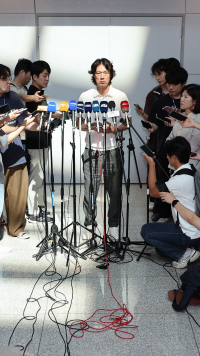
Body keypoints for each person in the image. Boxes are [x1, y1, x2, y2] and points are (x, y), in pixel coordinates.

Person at [0, 63, 38, 239]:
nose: (9, 81)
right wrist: (15, 126)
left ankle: (16, 228)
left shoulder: (13, 96)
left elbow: (24, 121)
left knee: (17, 194)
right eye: (5, 78)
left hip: (14, 150)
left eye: (8, 77)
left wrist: (41, 126)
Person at [77, 58, 129, 239]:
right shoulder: (86, 96)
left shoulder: (120, 96)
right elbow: (78, 122)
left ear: (111, 74)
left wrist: (115, 129)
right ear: (93, 75)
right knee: (89, 189)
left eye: (105, 73)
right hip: (91, 149)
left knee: (114, 191)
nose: (101, 76)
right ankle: (90, 224)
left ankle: (113, 227)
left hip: (113, 149)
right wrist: (92, 127)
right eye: (98, 73)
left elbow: (127, 122)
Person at [140, 137, 200, 269]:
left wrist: (152, 165)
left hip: (187, 232)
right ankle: (197, 247)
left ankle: (187, 252)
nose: (166, 157)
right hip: (197, 229)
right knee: (160, 250)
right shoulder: (191, 170)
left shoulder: (179, 180)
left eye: (167, 155)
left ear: (174, 157)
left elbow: (153, 192)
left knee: (146, 231)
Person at [147, 66, 187, 222]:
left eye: (175, 84)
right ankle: (162, 211)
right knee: (162, 180)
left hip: (183, 150)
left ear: (183, 84)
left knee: (180, 182)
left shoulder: (187, 101)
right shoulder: (160, 102)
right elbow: (155, 123)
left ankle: (179, 213)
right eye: (169, 83)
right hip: (164, 148)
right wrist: (152, 127)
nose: (171, 87)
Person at [25, 60, 57, 223]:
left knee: (40, 176)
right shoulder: (32, 96)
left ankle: (37, 209)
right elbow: (32, 119)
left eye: (48, 76)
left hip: (42, 141)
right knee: (35, 177)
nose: (47, 79)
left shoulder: (39, 95)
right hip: (34, 142)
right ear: (35, 76)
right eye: (44, 75)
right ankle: (32, 212)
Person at [135, 58, 180, 153]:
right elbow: (151, 121)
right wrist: (143, 114)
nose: (157, 78)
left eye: (159, 74)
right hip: (159, 141)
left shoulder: (181, 94)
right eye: (155, 75)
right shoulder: (153, 94)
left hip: (179, 140)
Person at [165, 84, 200, 160]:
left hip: (189, 163)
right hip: (174, 162)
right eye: (182, 96)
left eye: (186, 97)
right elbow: (170, 137)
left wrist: (173, 150)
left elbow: (194, 146)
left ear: (194, 101)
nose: (182, 99)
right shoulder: (180, 115)